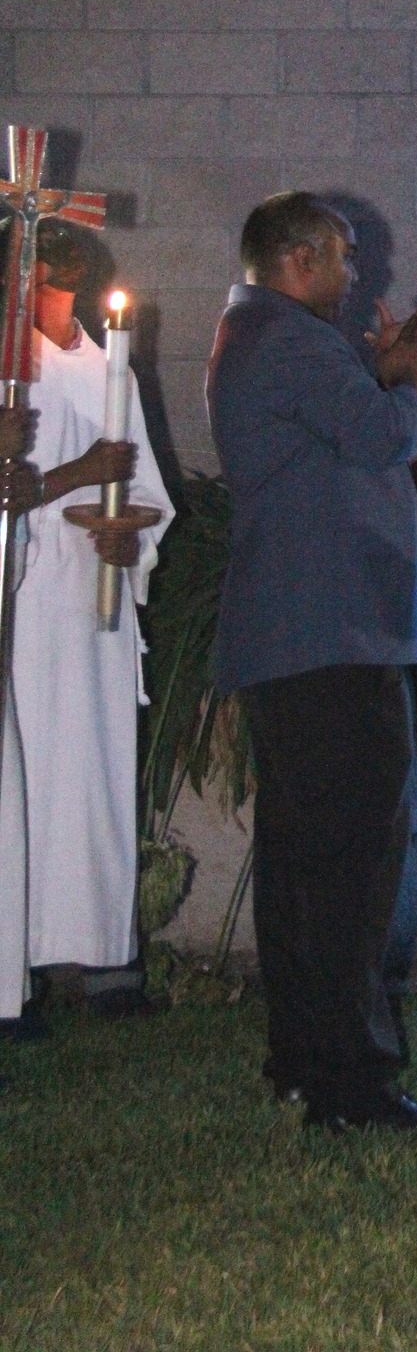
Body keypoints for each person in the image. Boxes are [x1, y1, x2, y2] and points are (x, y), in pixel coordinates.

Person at [207, 191, 417, 1132]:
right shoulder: (290, 342)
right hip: (332, 636)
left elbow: (337, 422)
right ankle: (351, 1083)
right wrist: (416, 383)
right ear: (302, 260)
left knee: (303, 864)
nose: (357, 274)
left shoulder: (266, 339)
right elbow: (376, 435)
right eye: (345, 257)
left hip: (305, 635)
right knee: (353, 864)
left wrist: (384, 363)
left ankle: (304, 1062)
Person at [0, 224, 173, 1033]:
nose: (64, 274)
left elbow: (146, 486)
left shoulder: (110, 366)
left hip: (95, 604)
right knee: (27, 783)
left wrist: (130, 536)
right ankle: (18, 971)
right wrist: (76, 476)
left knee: (94, 782)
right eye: (45, 262)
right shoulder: (9, 370)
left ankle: (102, 955)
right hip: (26, 607)